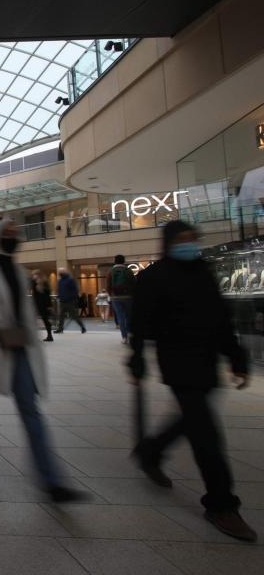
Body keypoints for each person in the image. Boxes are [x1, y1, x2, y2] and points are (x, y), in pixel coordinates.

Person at [129, 220, 256, 542]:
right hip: (178, 362)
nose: (190, 244)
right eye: (183, 239)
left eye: (192, 238)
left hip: (207, 360)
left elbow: (221, 320)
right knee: (206, 433)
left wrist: (237, 358)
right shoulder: (153, 277)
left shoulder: (203, 272)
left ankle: (152, 452)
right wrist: (137, 358)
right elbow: (139, 324)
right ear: (169, 242)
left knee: (192, 419)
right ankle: (221, 503)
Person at [0, 219, 84, 503]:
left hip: (18, 349)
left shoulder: (19, 272)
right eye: (9, 234)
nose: (14, 237)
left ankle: (51, 480)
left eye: (17, 234)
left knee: (30, 408)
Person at [107, 254, 136, 344]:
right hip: (128, 297)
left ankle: (124, 337)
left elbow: (108, 286)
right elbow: (134, 284)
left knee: (120, 317)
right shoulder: (128, 270)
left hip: (115, 298)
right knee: (129, 316)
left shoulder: (110, 271)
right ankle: (130, 334)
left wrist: (111, 295)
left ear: (115, 261)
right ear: (124, 261)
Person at [54, 269, 86, 334]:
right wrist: (59, 296)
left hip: (70, 301)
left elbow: (75, 290)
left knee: (74, 315)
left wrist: (73, 299)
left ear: (64, 272)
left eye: (60, 272)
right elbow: (60, 290)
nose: (59, 273)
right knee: (61, 315)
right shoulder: (60, 281)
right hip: (62, 301)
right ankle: (60, 328)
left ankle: (83, 327)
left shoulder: (70, 280)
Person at [30, 270, 54, 342]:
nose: (33, 276)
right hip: (36, 304)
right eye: (33, 275)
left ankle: (49, 336)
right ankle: (34, 336)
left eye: (34, 275)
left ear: (38, 275)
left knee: (45, 320)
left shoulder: (44, 283)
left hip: (43, 305)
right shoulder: (34, 283)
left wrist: (49, 305)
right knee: (33, 320)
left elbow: (47, 296)